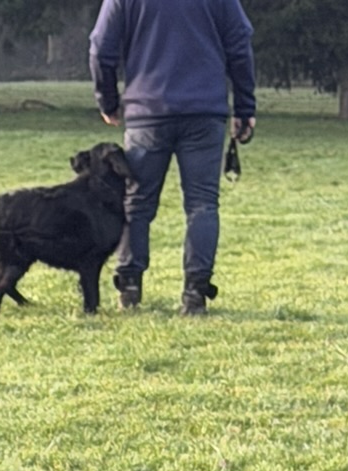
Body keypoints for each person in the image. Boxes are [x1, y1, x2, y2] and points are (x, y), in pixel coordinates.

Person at [88, 0, 256, 315]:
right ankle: (195, 292)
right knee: (203, 204)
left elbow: (100, 47)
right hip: (205, 111)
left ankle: (129, 285)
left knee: (135, 202)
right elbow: (239, 44)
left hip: (146, 112)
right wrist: (245, 107)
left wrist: (107, 101)